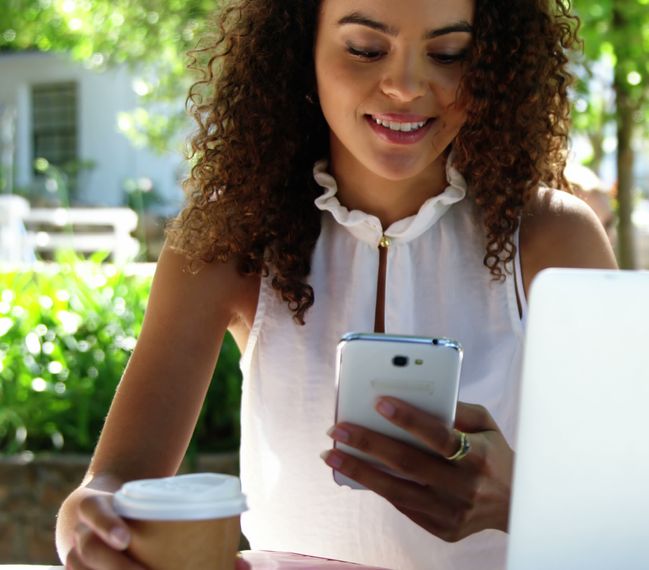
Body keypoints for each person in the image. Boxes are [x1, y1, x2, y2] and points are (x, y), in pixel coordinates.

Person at [55, 1, 616, 569]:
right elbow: (112, 482)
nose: (404, 86)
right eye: (365, 50)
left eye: (450, 54)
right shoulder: (232, 240)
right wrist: (94, 527)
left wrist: (519, 501)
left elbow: (634, 507)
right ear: (302, 50)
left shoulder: (551, 238)